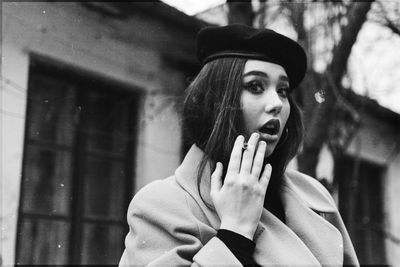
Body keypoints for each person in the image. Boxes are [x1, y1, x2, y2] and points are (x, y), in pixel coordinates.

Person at [119, 24, 359, 266]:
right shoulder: (161, 206)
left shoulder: (314, 196)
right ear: (215, 100)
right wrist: (235, 234)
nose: (277, 102)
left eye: (283, 90)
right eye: (255, 86)